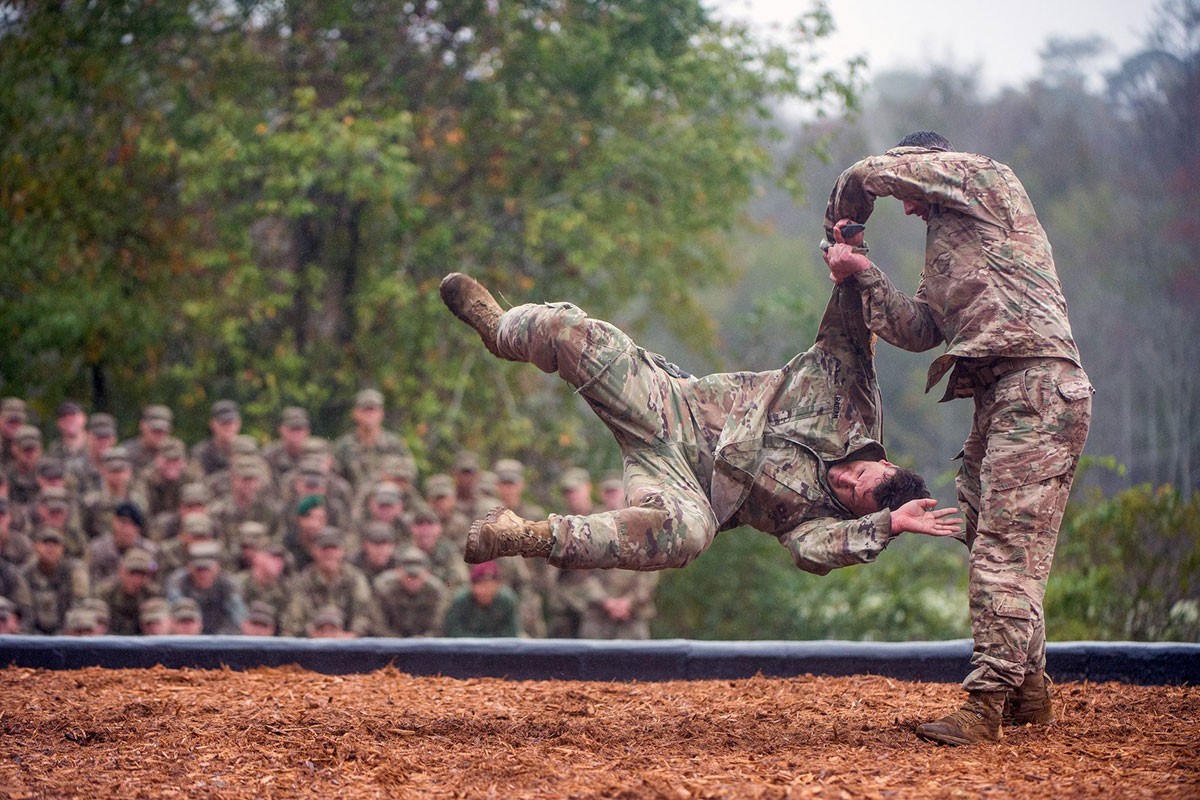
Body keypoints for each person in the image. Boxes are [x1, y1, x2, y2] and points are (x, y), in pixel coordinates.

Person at [822, 130, 1094, 745]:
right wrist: (861, 272)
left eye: (910, 195)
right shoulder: (947, 243)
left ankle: (985, 705)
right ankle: (1027, 688)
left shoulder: (984, 181)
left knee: (1004, 549)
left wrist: (845, 215)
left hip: (1038, 386)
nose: (911, 208)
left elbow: (867, 173)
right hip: (999, 396)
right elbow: (921, 329)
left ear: (924, 168)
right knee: (988, 535)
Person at [440, 272, 960, 574]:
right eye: (860, 477)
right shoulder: (852, 400)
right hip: (674, 405)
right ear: (881, 461)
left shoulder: (825, 525)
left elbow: (813, 550)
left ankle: (520, 536)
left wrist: (885, 525)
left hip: (690, 485)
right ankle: (500, 328)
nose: (844, 482)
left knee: (685, 536)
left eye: (852, 496)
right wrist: (852, 253)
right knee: (572, 334)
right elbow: (851, 320)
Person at [164, 540, 247, 635]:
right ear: (189, 568)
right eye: (198, 569)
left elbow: (238, 618)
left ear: (217, 568)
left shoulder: (229, 585)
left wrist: (219, 639)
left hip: (220, 638)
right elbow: (172, 613)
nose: (203, 574)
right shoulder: (178, 583)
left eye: (207, 569)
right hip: (186, 636)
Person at [23, 526, 89, 635]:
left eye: (55, 544)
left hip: (66, 633)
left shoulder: (73, 572)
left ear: (62, 548)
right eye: (45, 543)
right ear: (36, 546)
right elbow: (23, 609)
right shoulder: (25, 574)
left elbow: (79, 606)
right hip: (31, 634)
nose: (50, 547)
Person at [373, 546, 450, 637]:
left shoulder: (436, 592)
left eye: (416, 577)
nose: (412, 581)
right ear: (398, 572)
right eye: (408, 576)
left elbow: (439, 625)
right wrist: (398, 642)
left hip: (427, 645)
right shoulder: (384, 589)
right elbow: (377, 624)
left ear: (426, 573)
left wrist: (424, 639)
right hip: (391, 642)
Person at [442, 560, 521, 638]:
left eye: (489, 585)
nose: (485, 590)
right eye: (480, 584)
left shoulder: (507, 601)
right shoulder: (460, 601)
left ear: (498, 585)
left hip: (499, 648)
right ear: (471, 586)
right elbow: (453, 632)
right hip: (466, 647)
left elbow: (511, 633)